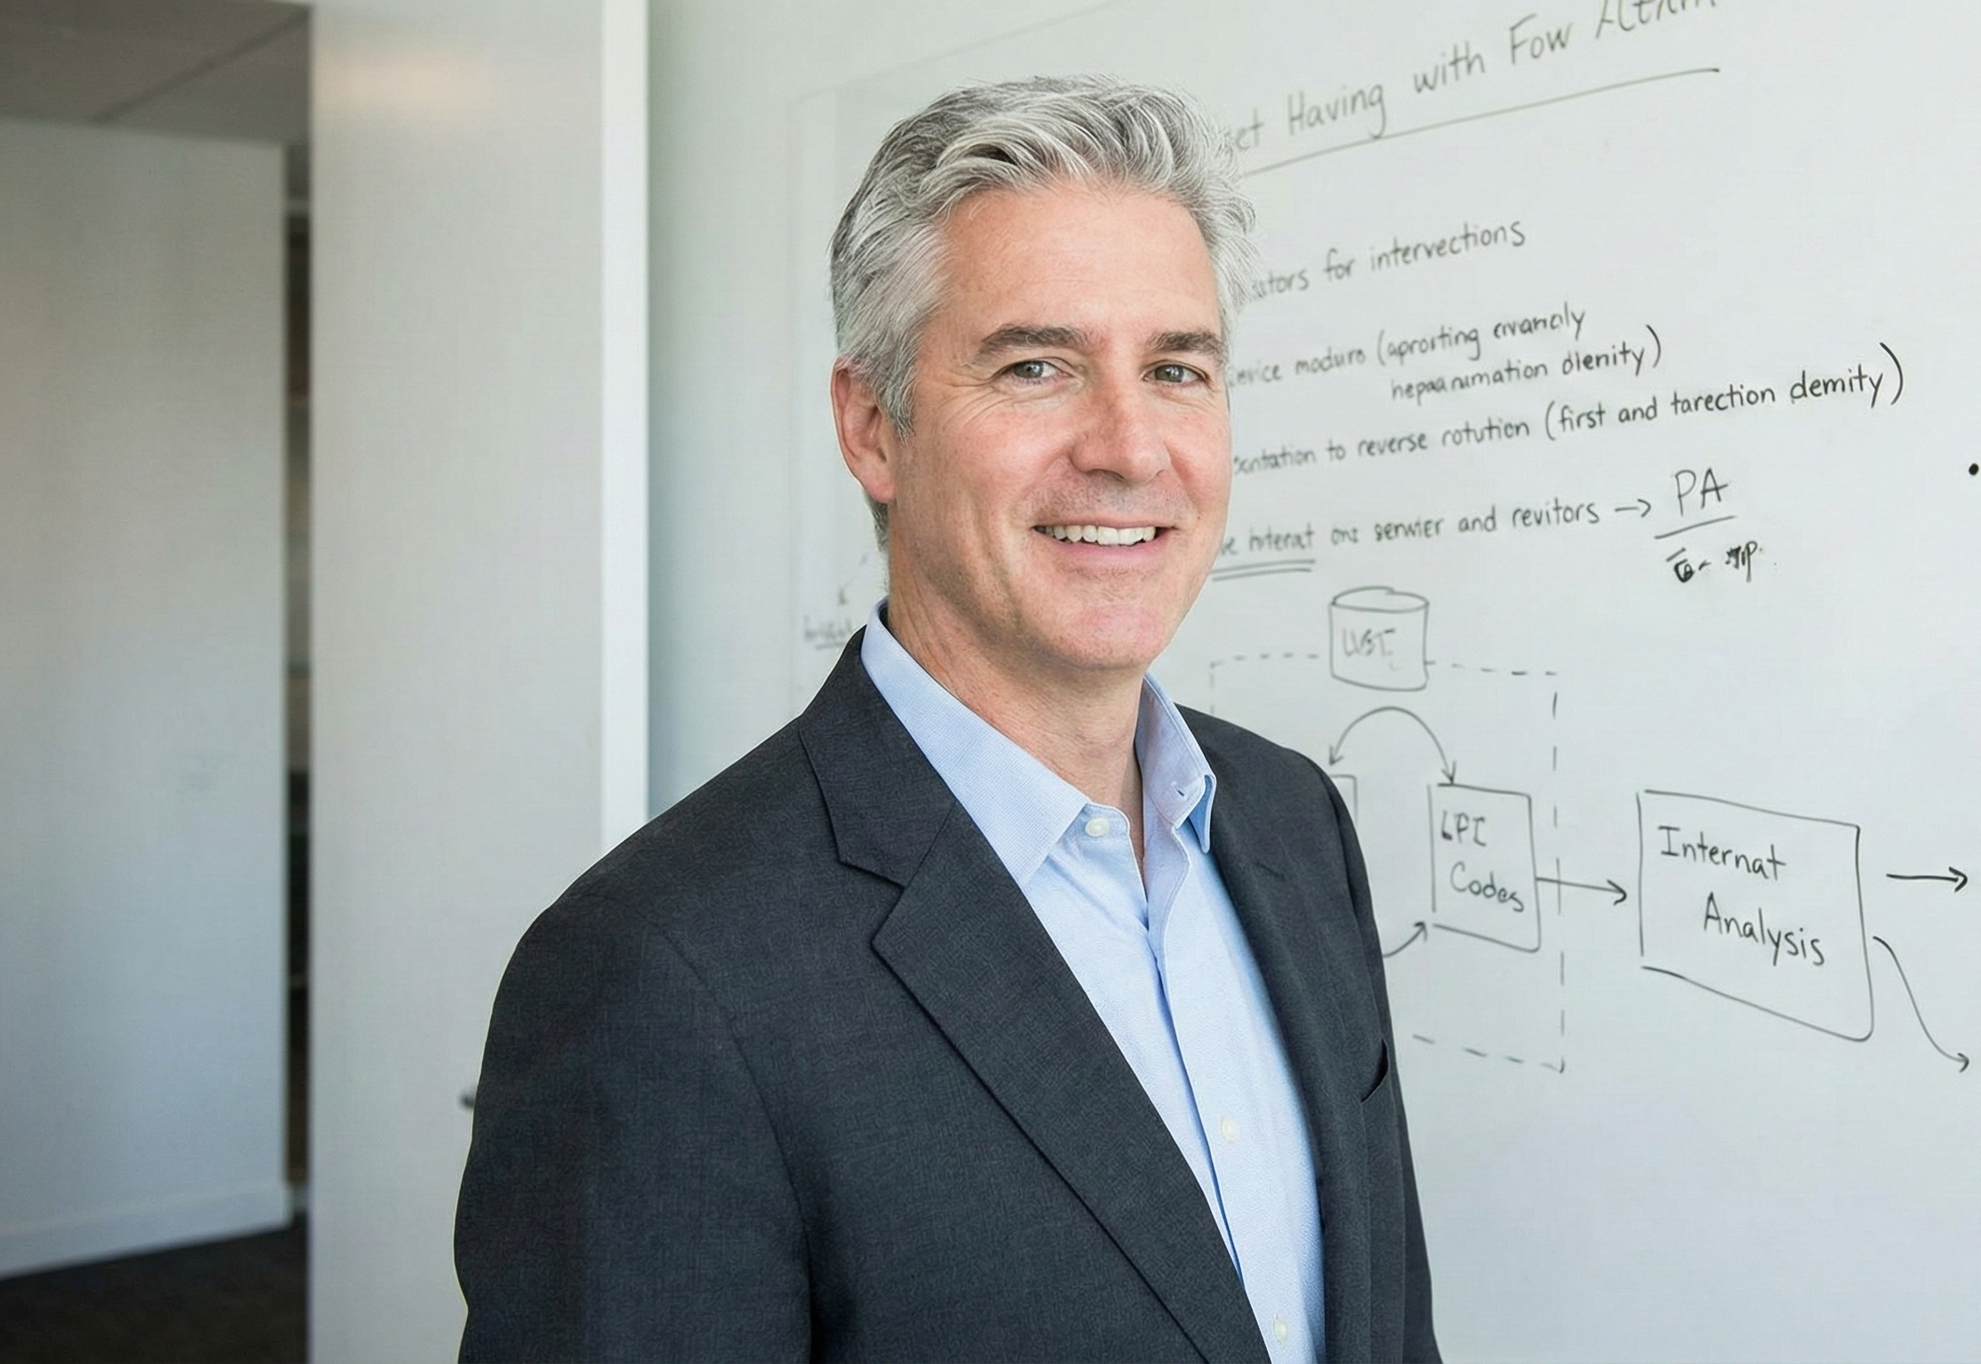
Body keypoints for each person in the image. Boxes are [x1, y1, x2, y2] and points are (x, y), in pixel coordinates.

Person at [453, 76, 1438, 1362]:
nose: (1131, 447)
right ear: (873, 428)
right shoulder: (658, 973)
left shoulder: (1296, 822)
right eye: (1037, 366)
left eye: (1177, 368)